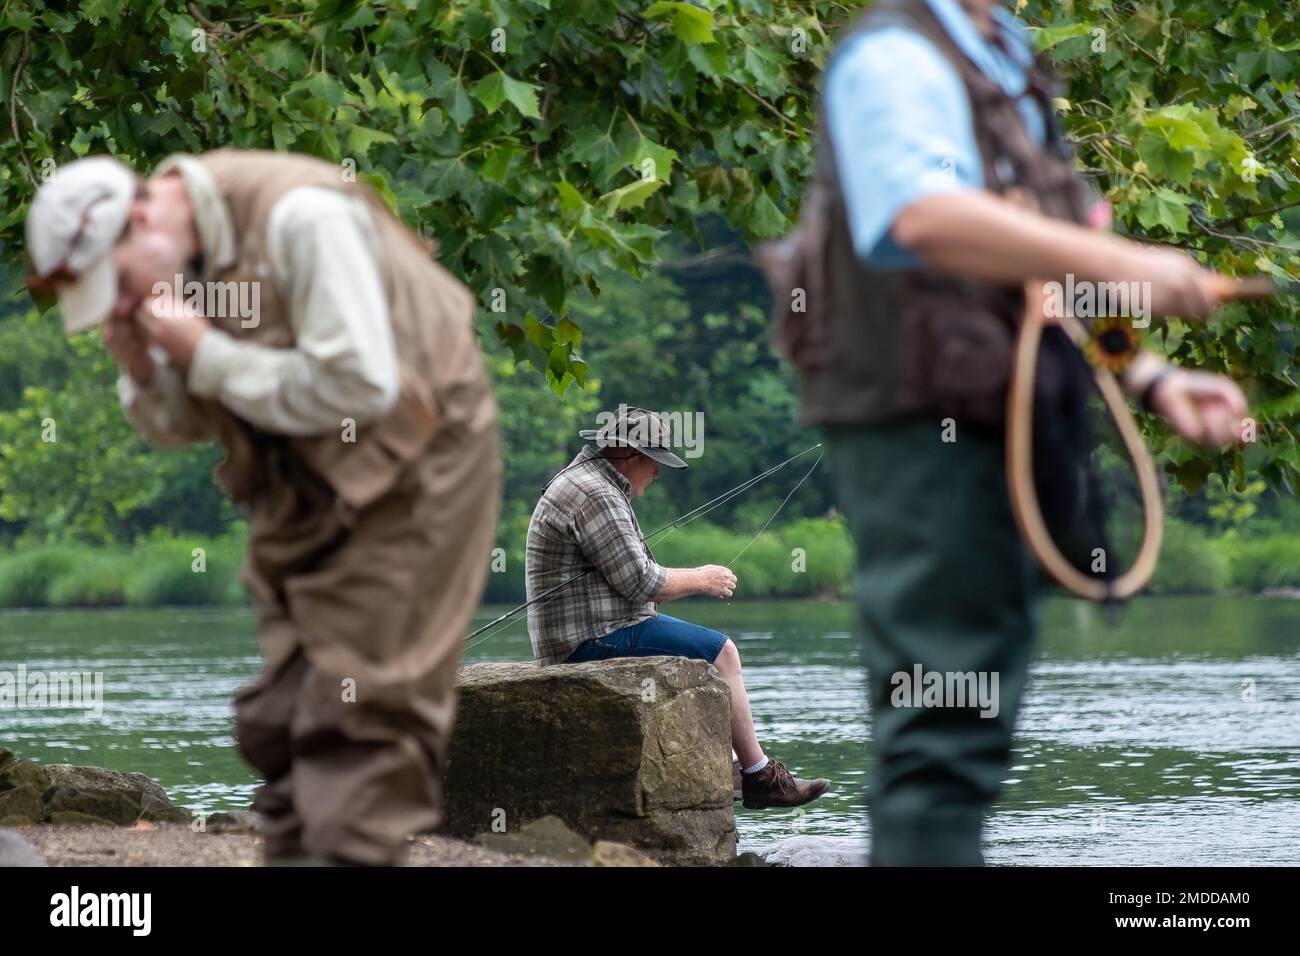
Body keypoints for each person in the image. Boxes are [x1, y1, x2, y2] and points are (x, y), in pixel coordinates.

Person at [795, 0, 1247, 864]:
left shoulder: (1008, 56)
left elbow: (1046, 279)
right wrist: (1127, 263)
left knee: (975, 730)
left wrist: (1150, 377)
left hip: (1015, 423)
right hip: (920, 429)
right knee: (941, 737)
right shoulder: (896, 55)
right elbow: (916, 215)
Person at [24, 150, 501, 865]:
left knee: (362, 721)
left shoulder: (303, 217)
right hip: (301, 491)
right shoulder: (183, 262)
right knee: (279, 718)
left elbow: (360, 387)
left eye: (116, 285)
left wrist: (204, 354)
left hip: (418, 477)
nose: (118, 306)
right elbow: (181, 426)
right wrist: (146, 370)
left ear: (143, 219)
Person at [524, 406, 830, 809]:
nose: (658, 473)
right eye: (655, 462)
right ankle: (760, 778)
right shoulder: (595, 495)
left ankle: (731, 769)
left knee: (704, 652)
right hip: (591, 640)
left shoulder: (587, 482)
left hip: (599, 628)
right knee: (722, 653)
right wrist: (705, 578)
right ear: (628, 454)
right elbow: (642, 583)